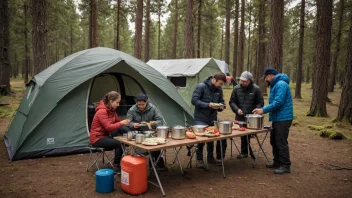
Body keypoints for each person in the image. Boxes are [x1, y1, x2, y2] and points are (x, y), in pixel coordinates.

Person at [252, 67, 293, 174]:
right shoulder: (277, 85)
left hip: (283, 118)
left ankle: (285, 165)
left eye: (266, 77)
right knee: (274, 141)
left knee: (281, 142)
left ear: (270, 75)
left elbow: (278, 102)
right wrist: (262, 109)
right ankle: (277, 162)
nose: (265, 80)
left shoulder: (280, 84)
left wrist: (263, 110)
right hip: (278, 118)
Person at [191, 72, 227, 167]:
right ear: (214, 79)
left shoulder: (219, 89)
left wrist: (221, 106)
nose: (220, 85)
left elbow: (221, 101)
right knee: (201, 139)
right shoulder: (201, 86)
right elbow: (194, 100)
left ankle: (210, 157)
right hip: (200, 117)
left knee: (212, 137)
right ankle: (199, 159)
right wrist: (208, 105)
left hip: (212, 117)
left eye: (222, 84)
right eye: (220, 83)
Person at [90, 91, 131, 173]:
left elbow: (117, 122)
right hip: (97, 138)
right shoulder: (102, 111)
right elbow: (108, 127)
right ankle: (116, 166)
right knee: (119, 143)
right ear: (111, 101)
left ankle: (131, 139)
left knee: (123, 135)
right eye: (117, 102)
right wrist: (121, 123)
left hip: (105, 136)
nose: (118, 105)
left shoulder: (112, 110)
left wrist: (127, 126)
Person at [126, 93, 167, 170]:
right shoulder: (132, 110)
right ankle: (149, 163)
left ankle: (156, 162)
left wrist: (153, 123)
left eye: (143, 104)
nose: (141, 106)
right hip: (138, 133)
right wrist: (133, 125)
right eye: (139, 104)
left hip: (150, 131)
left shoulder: (153, 108)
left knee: (156, 143)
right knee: (142, 147)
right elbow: (128, 122)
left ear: (147, 102)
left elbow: (160, 120)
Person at [229, 71, 264, 159]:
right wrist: (237, 110)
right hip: (240, 116)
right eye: (241, 80)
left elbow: (260, 102)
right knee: (242, 134)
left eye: (244, 81)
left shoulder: (256, 89)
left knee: (249, 134)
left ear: (249, 81)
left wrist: (256, 110)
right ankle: (244, 152)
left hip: (252, 117)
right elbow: (232, 101)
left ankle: (248, 152)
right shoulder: (236, 88)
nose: (242, 82)